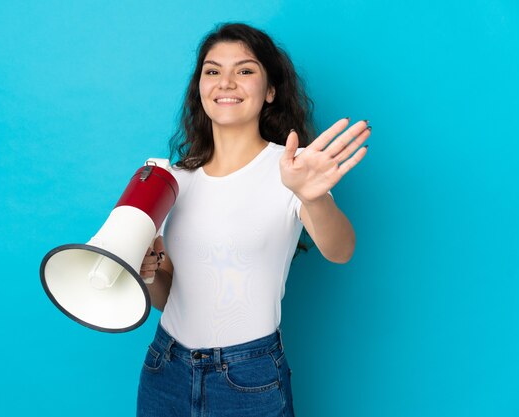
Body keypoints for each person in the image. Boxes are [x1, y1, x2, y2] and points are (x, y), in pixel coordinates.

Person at [136, 22, 370, 417]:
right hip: (165, 367)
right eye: (213, 71)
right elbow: (169, 296)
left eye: (244, 70)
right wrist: (151, 271)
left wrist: (312, 198)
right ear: (200, 88)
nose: (226, 82)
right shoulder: (174, 179)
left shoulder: (293, 171)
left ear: (271, 91)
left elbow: (341, 250)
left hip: (248, 379)